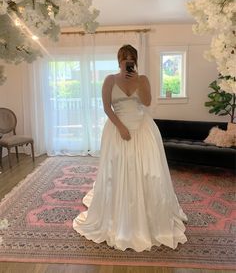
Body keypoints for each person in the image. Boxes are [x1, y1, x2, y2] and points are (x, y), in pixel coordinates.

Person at [73, 44, 187, 252]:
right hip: (118, 129)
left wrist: (138, 81)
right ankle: (119, 214)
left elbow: (146, 102)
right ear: (118, 60)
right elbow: (107, 107)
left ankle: (149, 215)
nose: (127, 61)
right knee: (118, 170)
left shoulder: (143, 80)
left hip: (143, 129)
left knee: (147, 172)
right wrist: (121, 127)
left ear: (135, 60)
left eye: (131, 57)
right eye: (124, 58)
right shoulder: (109, 80)